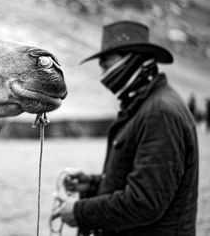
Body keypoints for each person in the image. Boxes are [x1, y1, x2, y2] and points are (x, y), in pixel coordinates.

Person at [52, 21, 199, 236]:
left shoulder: (160, 112)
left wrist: (80, 212)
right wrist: (93, 185)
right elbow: (139, 177)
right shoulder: (143, 105)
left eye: (106, 63)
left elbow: (145, 201)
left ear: (131, 58)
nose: (103, 73)